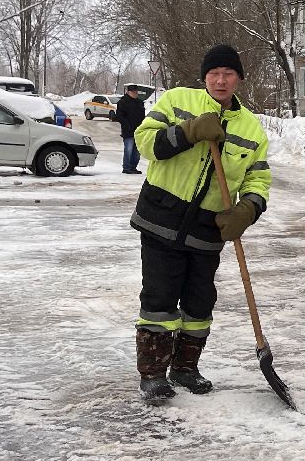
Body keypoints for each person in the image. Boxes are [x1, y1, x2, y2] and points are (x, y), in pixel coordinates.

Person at [129, 45, 271, 402]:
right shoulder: (178, 101)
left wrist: (247, 210)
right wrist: (188, 131)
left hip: (209, 229)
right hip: (161, 218)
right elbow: (145, 142)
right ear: (204, 77)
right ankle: (153, 374)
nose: (221, 81)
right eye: (214, 74)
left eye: (228, 74)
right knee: (160, 298)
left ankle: (185, 368)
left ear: (239, 78)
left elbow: (258, 179)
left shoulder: (252, 128)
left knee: (200, 302)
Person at [116, 84, 146, 174]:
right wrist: (127, 125)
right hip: (128, 130)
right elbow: (119, 116)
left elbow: (142, 115)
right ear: (128, 92)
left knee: (137, 151)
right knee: (128, 149)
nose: (135, 93)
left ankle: (133, 167)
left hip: (139, 130)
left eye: (136, 92)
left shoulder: (139, 102)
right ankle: (126, 167)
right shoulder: (122, 102)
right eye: (133, 92)